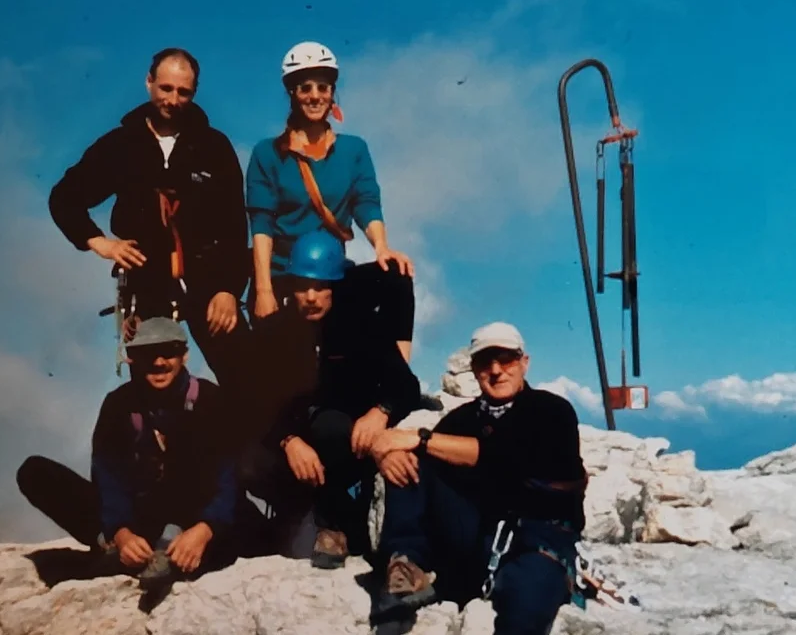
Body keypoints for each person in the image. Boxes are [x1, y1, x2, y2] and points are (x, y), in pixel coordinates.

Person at [48, 47, 251, 390]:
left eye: (183, 92)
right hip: (146, 282)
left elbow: (234, 225)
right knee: (152, 385)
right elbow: (64, 198)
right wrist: (100, 243)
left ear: (194, 93)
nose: (173, 100)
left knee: (245, 376)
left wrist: (230, 290)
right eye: (166, 89)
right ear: (149, 82)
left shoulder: (213, 146)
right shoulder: (120, 144)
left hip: (210, 280)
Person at [366, 322, 588, 635]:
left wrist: (419, 437)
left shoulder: (552, 411)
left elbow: (503, 456)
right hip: (478, 530)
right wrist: (389, 454)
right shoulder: (463, 419)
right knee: (413, 459)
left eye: (506, 359)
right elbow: (421, 451)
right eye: (486, 361)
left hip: (538, 535)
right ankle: (405, 563)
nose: (496, 370)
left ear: (524, 363)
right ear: (474, 368)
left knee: (523, 609)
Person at [237, 230, 424, 570]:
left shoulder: (361, 323)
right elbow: (253, 401)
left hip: (349, 437)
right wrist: (288, 440)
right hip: (298, 442)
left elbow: (406, 385)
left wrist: (380, 413)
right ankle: (296, 513)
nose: (311, 296)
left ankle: (336, 526)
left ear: (335, 287)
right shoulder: (273, 333)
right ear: (290, 286)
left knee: (329, 426)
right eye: (302, 286)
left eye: (321, 287)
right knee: (248, 463)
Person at [16, 317, 241, 591]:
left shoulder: (210, 400)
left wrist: (205, 530)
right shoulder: (119, 405)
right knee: (36, 472)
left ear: (184, 355)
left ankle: (166, 553)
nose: (158, 362)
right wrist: (121, 533)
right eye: (147, 354)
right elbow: (107, 475)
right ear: (133, 359)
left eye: (168, 352)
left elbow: (229, 475)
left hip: (195, 517)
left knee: (248, 528)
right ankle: (117, 547)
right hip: (140, 515)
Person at [244, 40, 417, 363]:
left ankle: (401, 380)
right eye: (304, 87)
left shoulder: (354, 149)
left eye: (323, 87)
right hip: (285, 277)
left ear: (332, 91)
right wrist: (264, 289)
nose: (314, 96)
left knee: (396, 276)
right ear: (292, 93)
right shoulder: (267, 153)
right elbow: (262, 222)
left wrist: (381, 247)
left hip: (332, 275)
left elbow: (366, 202)